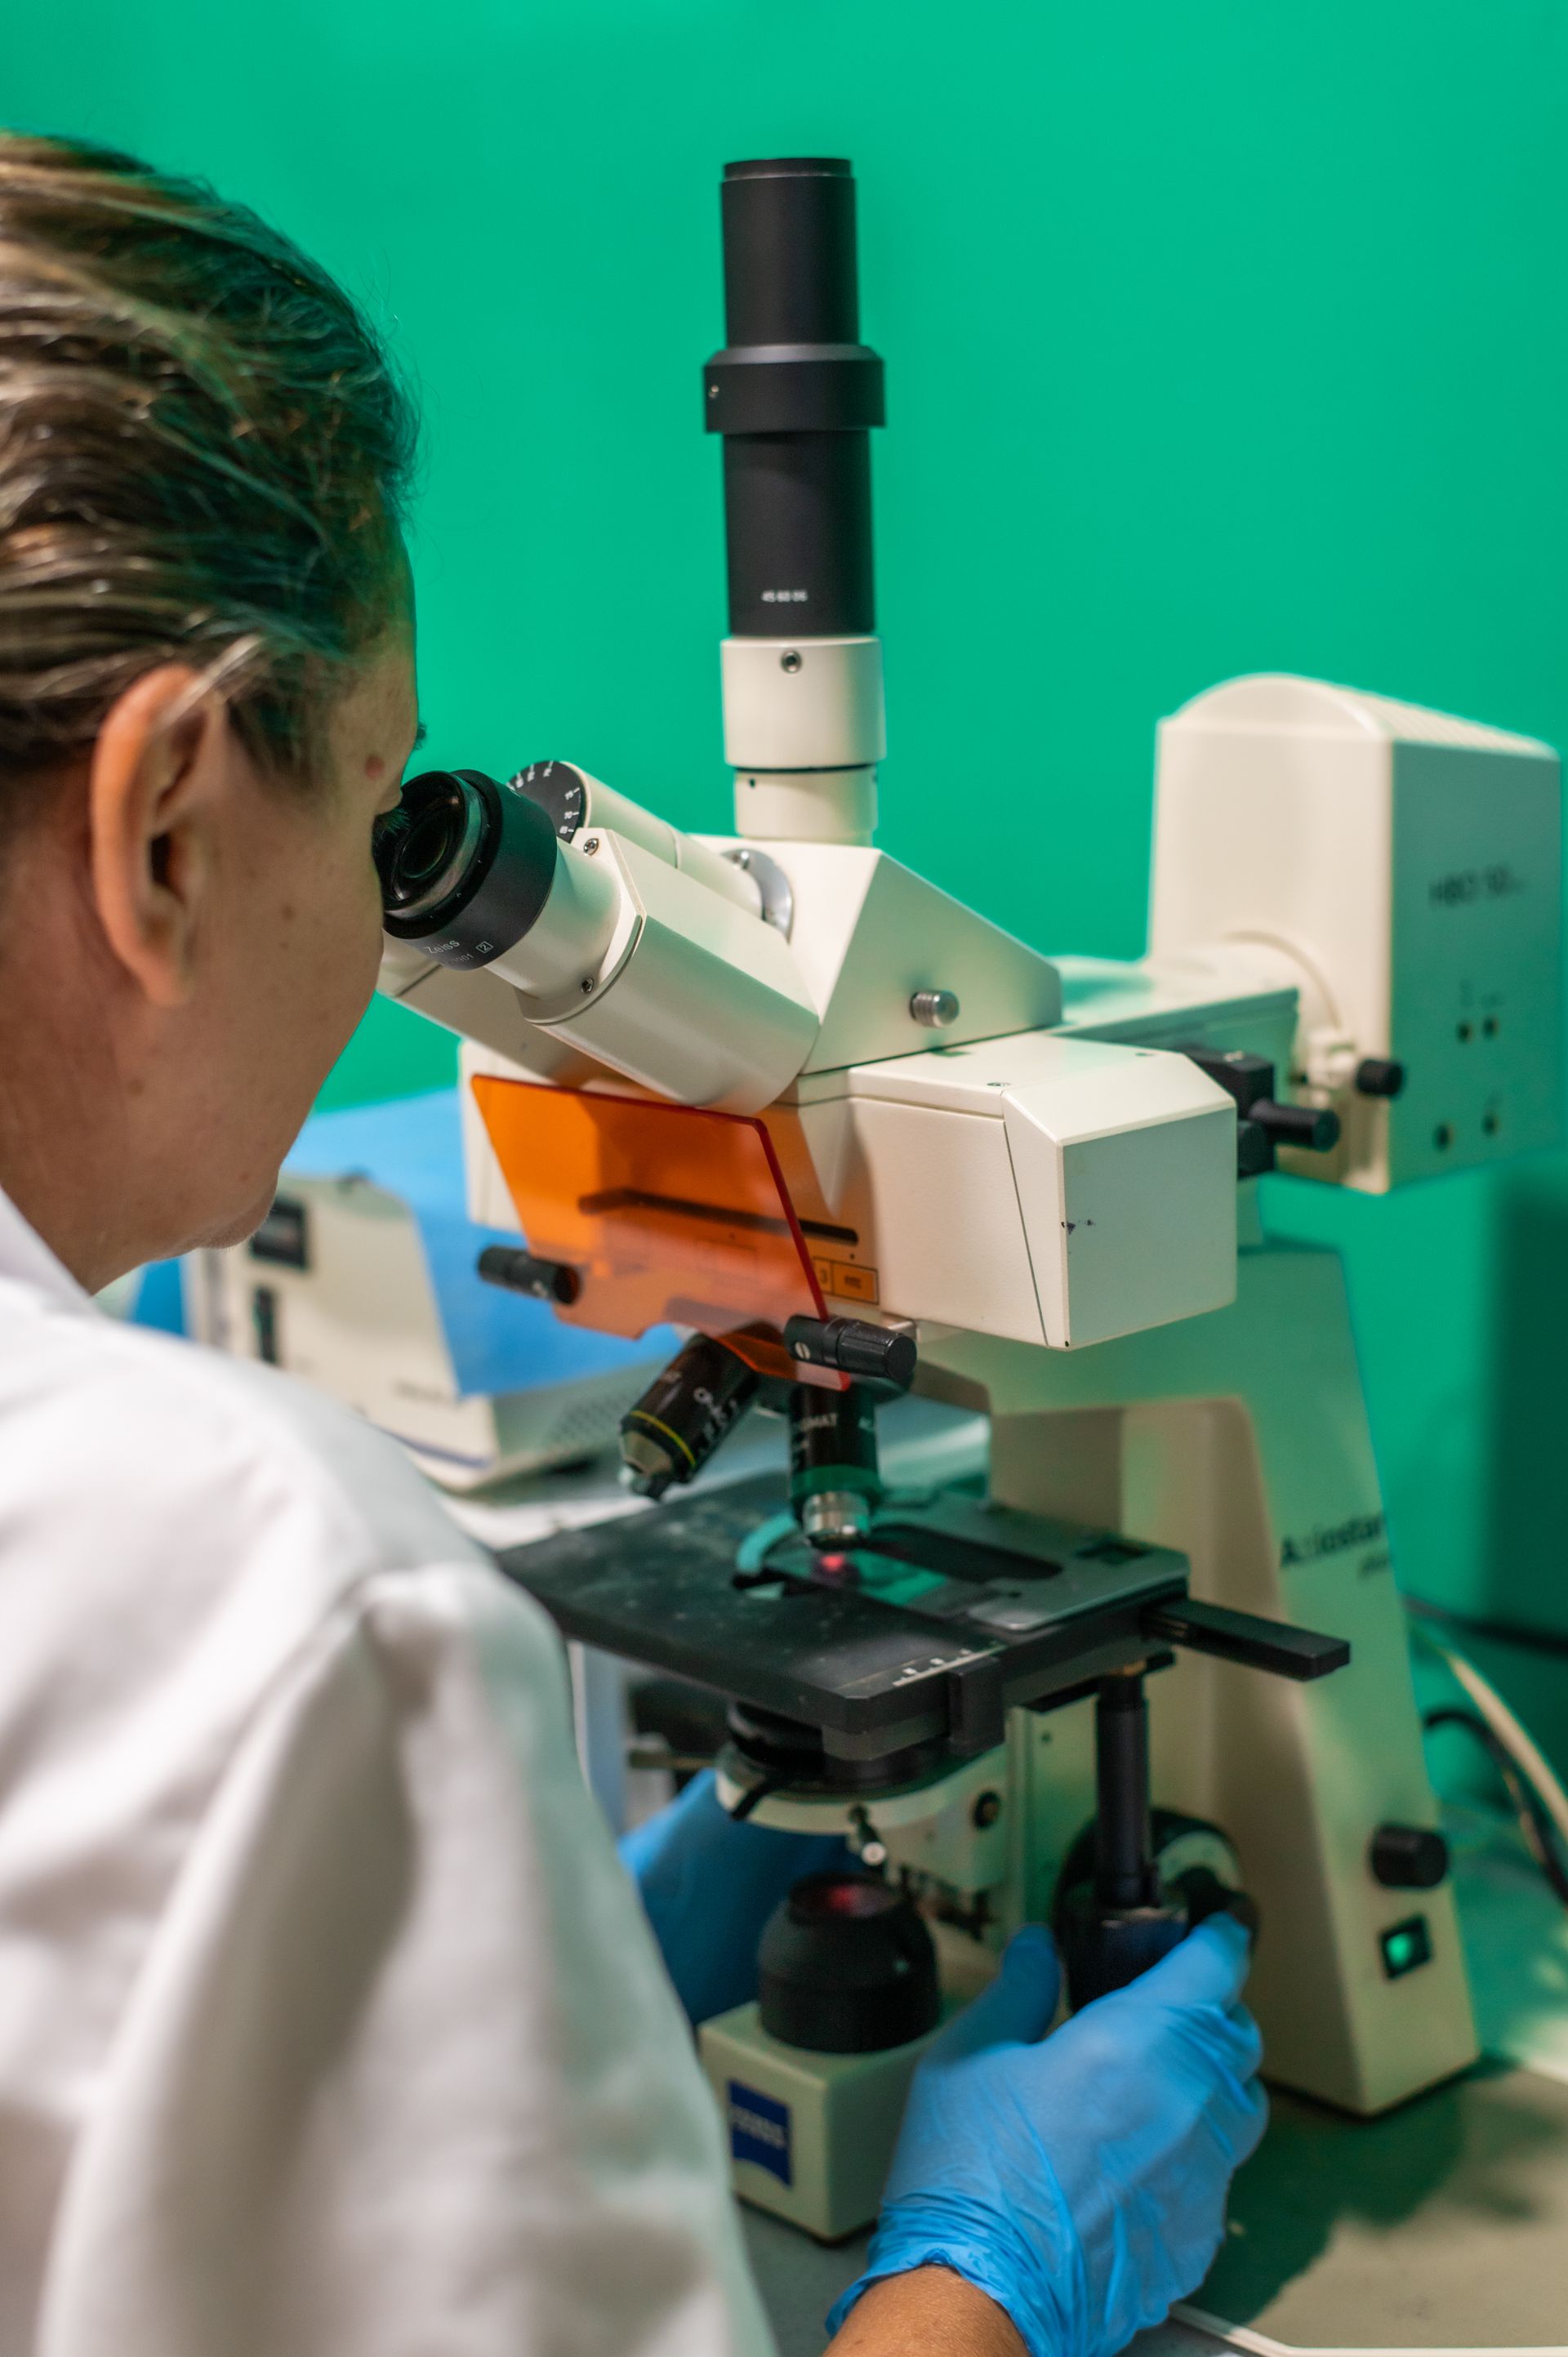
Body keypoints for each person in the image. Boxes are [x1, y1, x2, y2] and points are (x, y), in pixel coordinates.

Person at [0, 132, 1266, 2357]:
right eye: (379, 789)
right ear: (167, 831)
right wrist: (991, 2289)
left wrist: (446, 1968)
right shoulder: (254, 1597)